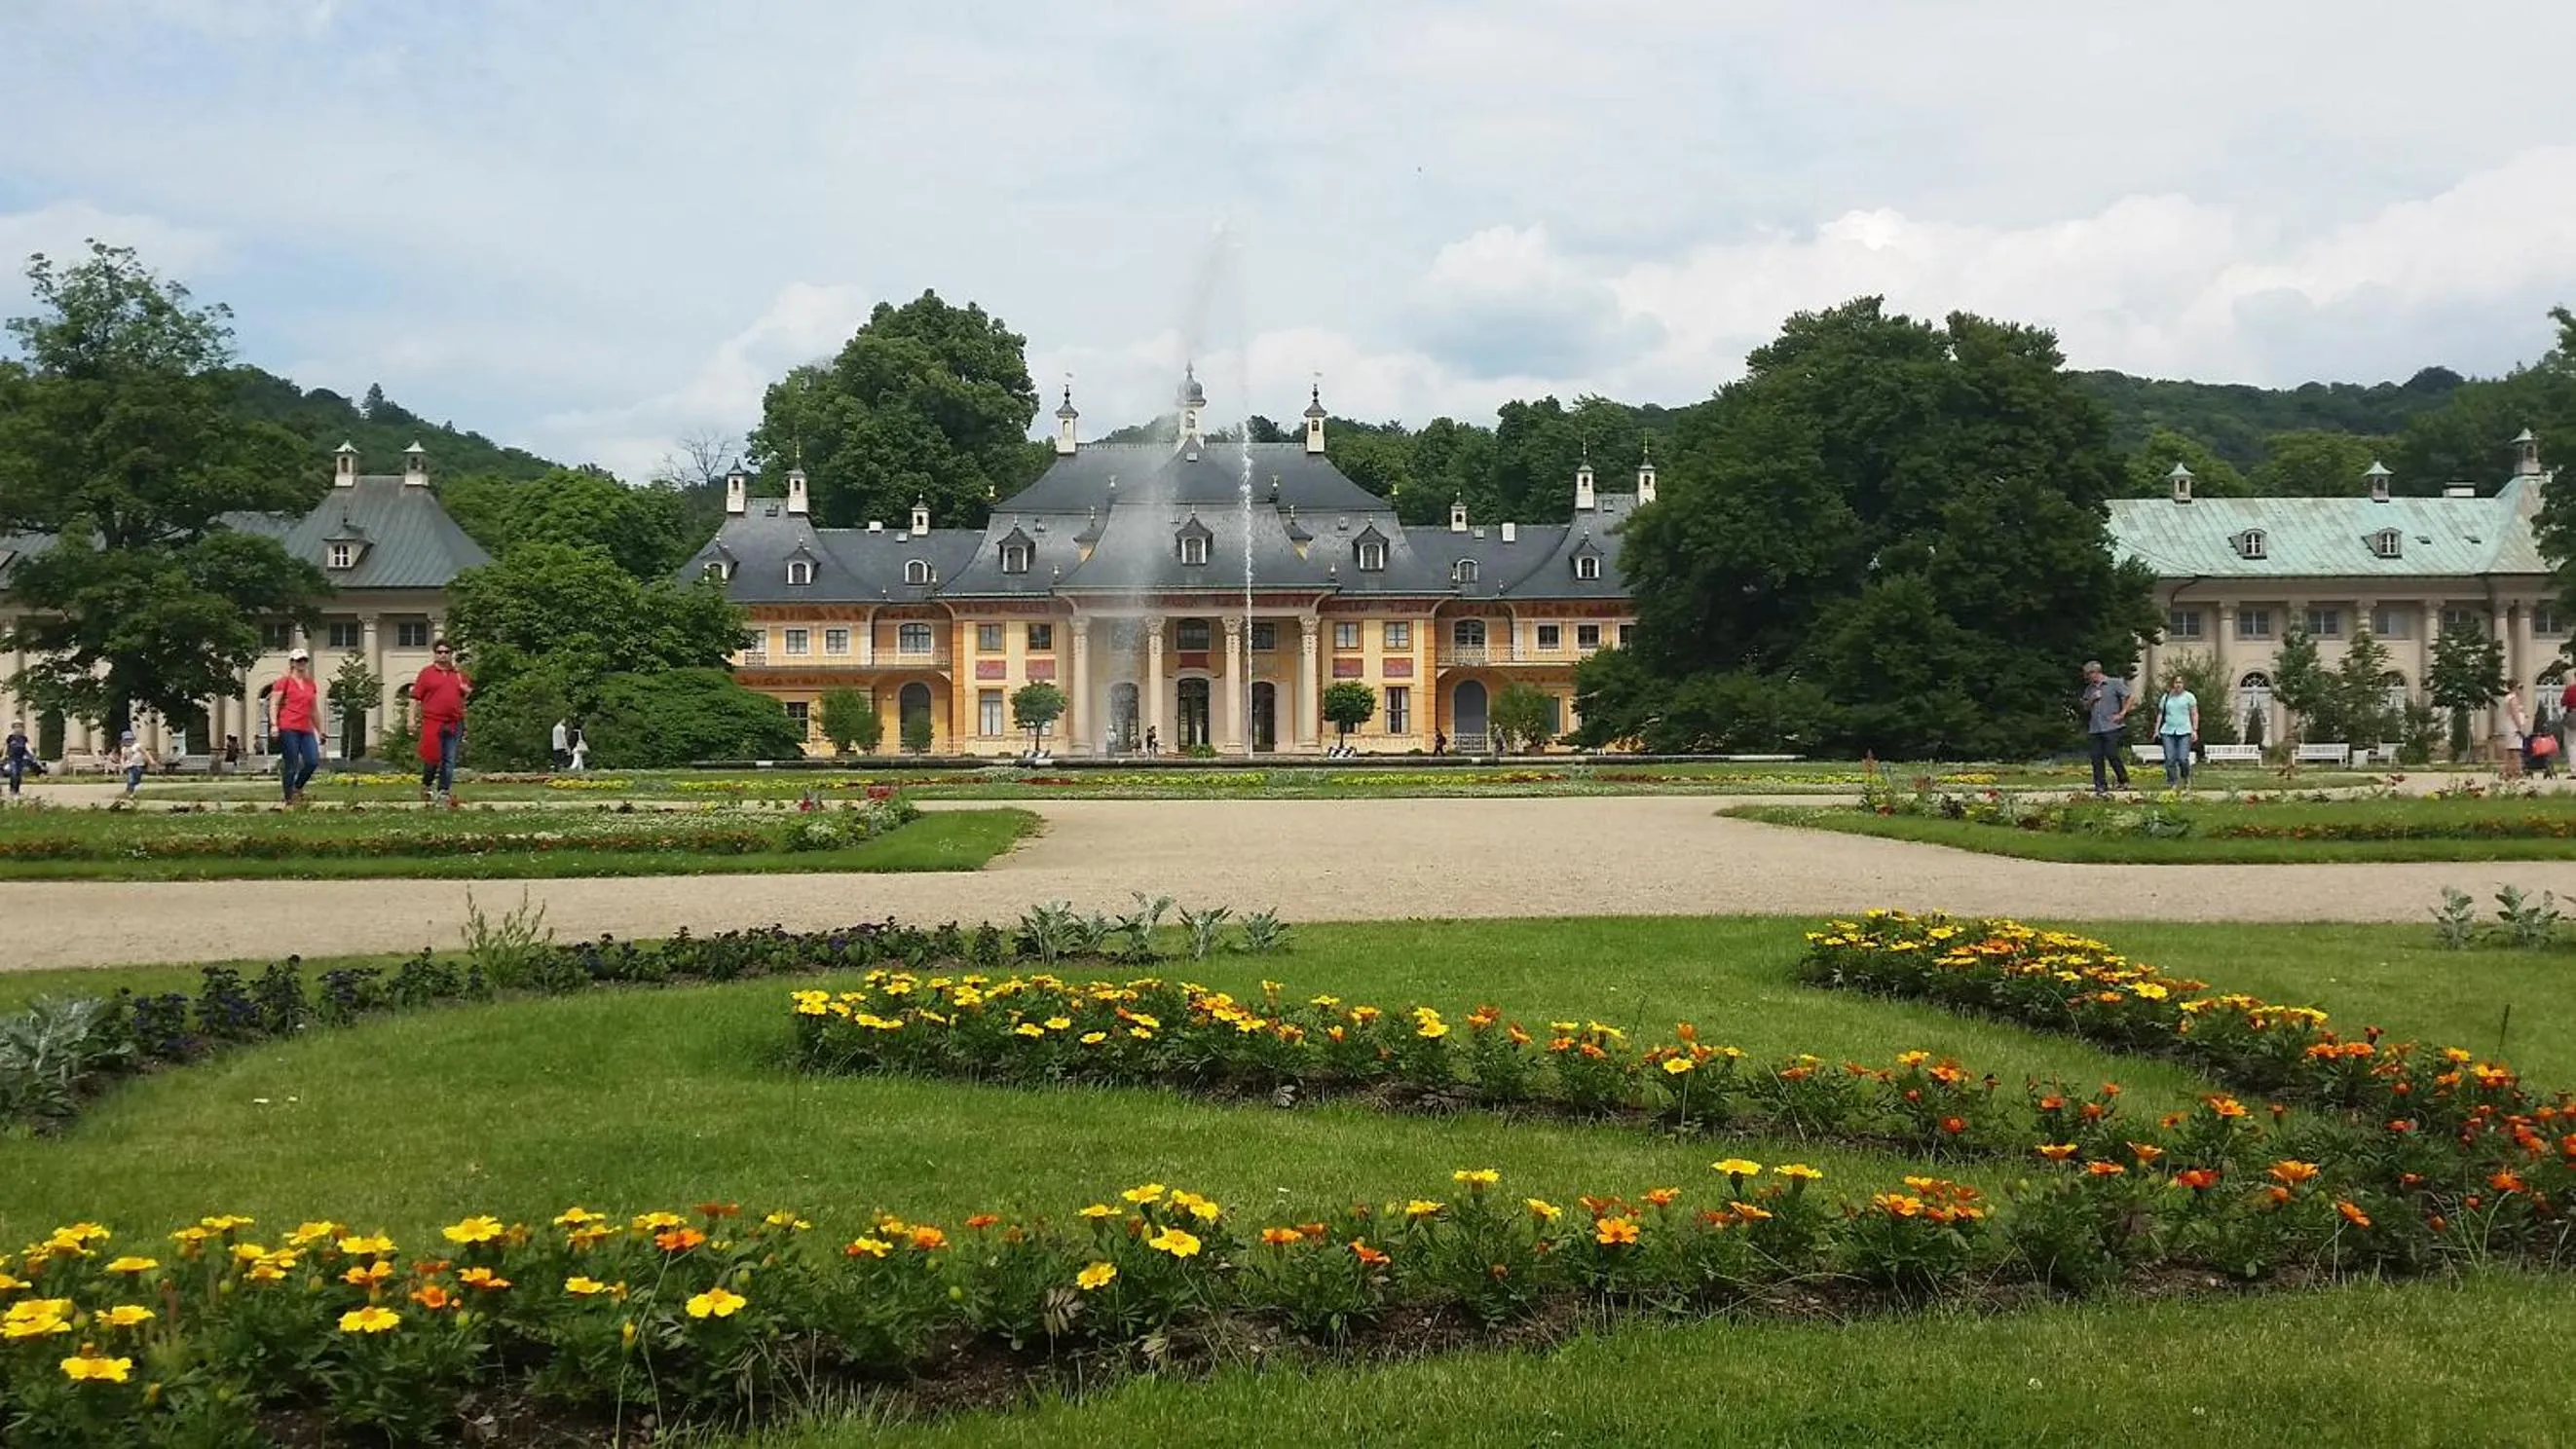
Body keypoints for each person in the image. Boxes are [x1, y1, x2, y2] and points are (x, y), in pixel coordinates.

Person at [412, 638, 473, 805]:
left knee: (449, 758)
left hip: (454, 722)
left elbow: (466, 696)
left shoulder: (459, 675)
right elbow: (415, 697)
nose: (443, 655)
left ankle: (444, 791)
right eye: (440, 652)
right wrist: (411, 719)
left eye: (446, 652)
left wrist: (466, 691)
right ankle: (427, 784)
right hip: (432, 720)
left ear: (451, 654)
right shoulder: (427, 673)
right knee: (432, 758)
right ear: (434, 654)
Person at [272, 648, 325, 805]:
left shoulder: (310, 684)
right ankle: (289, 798)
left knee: (312, 761)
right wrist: (274, 725)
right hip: (288, 726)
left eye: (304, 660)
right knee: (292, 763)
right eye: (298, 660)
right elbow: (274, 703)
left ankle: (297, 787)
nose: (302, 663)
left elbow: (314, 709)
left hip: (305, 728)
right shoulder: (284, 682)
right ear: (292, 663)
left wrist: (320, 730)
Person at [2080, 660, 2133, 796]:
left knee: (2111, 753)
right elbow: (2085, 706)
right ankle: (2100, 786)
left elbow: (2129, 697)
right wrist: (2092, 700)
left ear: (2096, 672)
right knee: (2096, 757)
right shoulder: (2090, 689)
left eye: (2089, 674)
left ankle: (2123, 779)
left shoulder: (2114, 683)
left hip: (2112, 726)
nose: (2088, 677)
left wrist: (2122, 713)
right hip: (2095, 727)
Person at [2155, 675, 2199, 788]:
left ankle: (2186, 777)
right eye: (2176, 682)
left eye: (2180, 682)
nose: (2178, 685)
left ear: (2184, 684)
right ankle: (2172, 782)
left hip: (2184, 731)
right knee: (2169, 759)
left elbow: (2194, 713)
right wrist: (2156, 730)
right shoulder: (2166, 697)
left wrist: (2195, 730)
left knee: (2182, 758)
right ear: (2172, 684)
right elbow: (2160, 714)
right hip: (2168, 731)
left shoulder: (2189, 697)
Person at [2495, 683, 2527, 782]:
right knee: (2516, 751)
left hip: (2509, 725)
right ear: (2514, 688)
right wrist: (2519, 727)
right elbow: (2514, 713)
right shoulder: (2513, 698)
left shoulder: (2508, 697)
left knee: (2509, 751)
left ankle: (2507, 771)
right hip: (2513, 726)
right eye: (2519, 688)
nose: (2520, 690)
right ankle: (2516, 771)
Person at [115, 729, 156, 799]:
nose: (128, 741)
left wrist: (151, 760)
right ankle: (130, 793)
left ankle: (131, 789)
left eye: (130, 739)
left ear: (133, 739)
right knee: (131, 779)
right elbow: (122, 758)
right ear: (123, 741)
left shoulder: (137, 746)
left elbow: (146, 753)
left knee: (136, 780)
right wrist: (123, 764)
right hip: (130, 765)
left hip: (139, 765)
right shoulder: (124, 749)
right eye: (126, 740)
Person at [4, 720, 29, 799]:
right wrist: (4, 755)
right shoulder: (10, 738)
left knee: (18, 774)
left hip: (20, 758)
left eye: (19, 727)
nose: (18, 729)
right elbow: (6, 746)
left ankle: (16, 790)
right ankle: (12, 790)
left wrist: (31, 754)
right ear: (13, 728)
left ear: (22, 728)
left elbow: (27, 747)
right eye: (16, 727)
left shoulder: (24, 738)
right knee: (14, 773)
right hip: (12, 758)